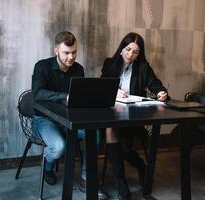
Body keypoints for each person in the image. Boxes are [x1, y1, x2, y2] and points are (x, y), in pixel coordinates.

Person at [31, 31, 108, 199]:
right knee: (59, 147)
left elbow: (79, 96)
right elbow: (37, 94)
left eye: (74, 52)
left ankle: (86, 179)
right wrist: (64, 96)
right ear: (56, 50)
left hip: (69, 120)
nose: (71, 57)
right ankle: (48, 167)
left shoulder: (78, 69)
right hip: (44, 120)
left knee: (94, 134)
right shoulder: (41, 67)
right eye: (67, 52)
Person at [101, 32, 168, 199]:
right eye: (128, 49)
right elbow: (101, 87)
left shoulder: (143, 67)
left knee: (115, 141)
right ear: (122, 48)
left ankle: (136, 170)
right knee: (111, 131)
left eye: (135, 52)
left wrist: (161, 93)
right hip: (112, 115)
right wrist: (114, 92)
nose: (130, 55)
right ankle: (125, 178)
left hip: (134, 118)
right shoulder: (110, 64)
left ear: (140, 53)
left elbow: (157, 86)